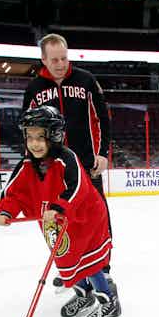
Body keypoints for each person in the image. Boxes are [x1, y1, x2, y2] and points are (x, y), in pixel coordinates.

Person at [0, 106, 122, 317]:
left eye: (40, 137)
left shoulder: (66, 158)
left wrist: (58, 207)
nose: (34, 143)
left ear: (54, 135)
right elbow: (14, 192)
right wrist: (6, 211)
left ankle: (109, 302)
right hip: (57, 223)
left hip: (85, 219)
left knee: (89, 261)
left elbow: (78, 188)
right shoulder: (26, 164)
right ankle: (84, 295)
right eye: (30, 137)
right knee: (67, 259)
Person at [22, 33, 115, 293]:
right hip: (54, 170)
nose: (61, 63)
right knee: (61, 218)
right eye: (54, 59)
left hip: (87, 164)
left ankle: (103, 267)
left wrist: (103, 153)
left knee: (96, 217)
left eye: (64, 57)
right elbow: (28, 130)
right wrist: (34, 165)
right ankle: (71, 268)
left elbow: (102, 119)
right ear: (43, 59)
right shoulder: (34, 88)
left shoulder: (86, 80)